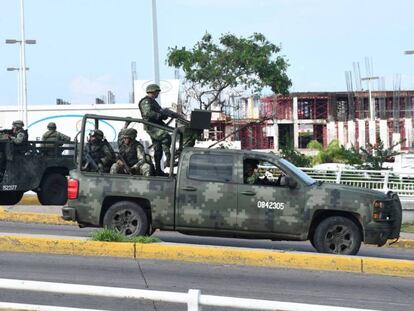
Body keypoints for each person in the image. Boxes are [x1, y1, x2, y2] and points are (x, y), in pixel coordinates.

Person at [138, 83, 171, 176]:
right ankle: (169, 158)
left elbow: (159, 112)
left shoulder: (153, 101)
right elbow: (148, 113)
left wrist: (165, 114)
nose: (158, 94)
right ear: (153, 91)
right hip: (152, 126)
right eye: (157, 92)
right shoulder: (146, 101)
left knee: (158, 149)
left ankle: (158, 170)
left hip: (157, 125)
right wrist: (160, 115)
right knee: (166, 136)